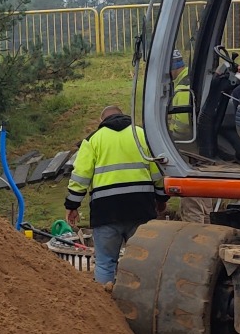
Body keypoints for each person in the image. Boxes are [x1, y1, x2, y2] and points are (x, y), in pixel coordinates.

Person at [65, 106, 165, 288]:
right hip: (141, 209)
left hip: (106, 212)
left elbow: (80, 177)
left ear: (102, 121)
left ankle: (104, 303)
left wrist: (72, 205)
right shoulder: (142, 135)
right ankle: (139, 299)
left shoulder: (93, 140)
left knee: (105, 262)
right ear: (123, 115)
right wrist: (161, 199)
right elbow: (157, 172)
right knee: (142, 261)